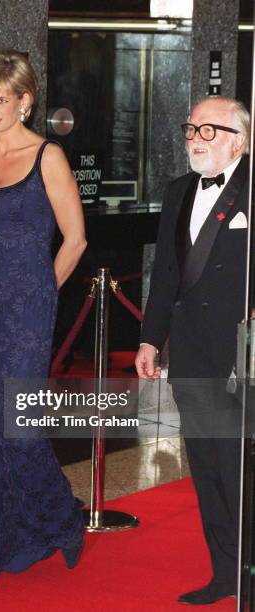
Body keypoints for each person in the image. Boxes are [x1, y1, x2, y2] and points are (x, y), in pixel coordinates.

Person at [0, 48, 87, 600]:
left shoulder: (48, 156)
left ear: (25, 100)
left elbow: (74, 240)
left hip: (29, 306)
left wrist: (36, 292)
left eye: (1, 99)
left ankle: (60, 518)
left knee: (20, 429)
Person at [135, 96, 250, 605]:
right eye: (191, 128)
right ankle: (225, 572)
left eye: (208, 129)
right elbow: (165, 275)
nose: (195, 137)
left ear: (239, 140)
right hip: (192, 354)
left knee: (243, 469)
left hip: (243, 358)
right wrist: (149, 337)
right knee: (206, 466)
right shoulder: (178, 190)